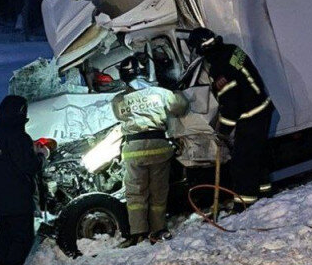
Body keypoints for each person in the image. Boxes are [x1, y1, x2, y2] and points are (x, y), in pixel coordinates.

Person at [185, 28, 274, 206]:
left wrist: (223, 130)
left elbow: (231, 105)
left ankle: (245, 203)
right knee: (257, 155)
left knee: (241, 164)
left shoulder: (219, 68)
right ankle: (264, 194)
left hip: (251, 115)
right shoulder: (232, 50)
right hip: (263, 107)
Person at [112, 64, 189, 246]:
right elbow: (181, 106)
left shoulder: (120, 99)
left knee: (136, 194)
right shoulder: (160, 93)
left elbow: (119, 116)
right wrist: (174, 88)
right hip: (158, 147)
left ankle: (138, 232)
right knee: (158, 192)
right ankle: (158, 229)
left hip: (134, 149)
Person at [0, 94, 47, 265]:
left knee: (5, 233)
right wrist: (42, 154)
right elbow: (29, 166)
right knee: (23, 236)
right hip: (18, 196)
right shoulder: (19, 136)